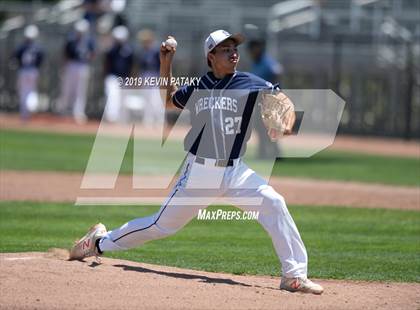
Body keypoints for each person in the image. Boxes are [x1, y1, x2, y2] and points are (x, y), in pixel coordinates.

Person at [70, 29, 323, 295]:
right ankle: (98, 242)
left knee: (274, 203)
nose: (234, 52)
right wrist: (165, 63)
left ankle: (294, 276)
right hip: (200, 174)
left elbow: (282, 100)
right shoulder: (200, 86)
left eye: (234, 48)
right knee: (160, 226)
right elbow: (168, 101)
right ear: (211, 56)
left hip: (236, 171)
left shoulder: (250, 82)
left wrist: (286, 122)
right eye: (226, 49)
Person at [247, 38, 284, 159]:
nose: (252, 52)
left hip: (269, 101)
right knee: (260, 127)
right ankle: (263, 152)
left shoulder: (267, 61)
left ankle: (276, 153)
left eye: (254, 49)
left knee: (270, 127)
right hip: (259, 101)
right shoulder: (255, 63)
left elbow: (278, 72)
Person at [56, 19, 95, 123]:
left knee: (81, 90)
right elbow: (66, 55)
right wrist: (64, 67)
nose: (80, 34)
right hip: (72, 65)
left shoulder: (89, 41)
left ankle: (78, 112)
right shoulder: (71, 40)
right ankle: (63, 109)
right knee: (67, 88)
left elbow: (92, 54)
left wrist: (88, 59)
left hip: (83, 65)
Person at [103, 25, 134, 123]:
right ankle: (111, 117)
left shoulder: (129, 51)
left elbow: (132, 66)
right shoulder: (111, 50)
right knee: (112, 95)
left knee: (123, 99)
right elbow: (106, 64)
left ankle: (122, 118)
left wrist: (132, 79)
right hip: (112, 76)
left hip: (124, 78)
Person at [13, 25, 44, 120]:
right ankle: (30, 107)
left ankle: (24, 114)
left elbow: (15, 58)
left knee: (24, 92)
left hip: (24, 71)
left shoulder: (22, 47)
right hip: (33, 71)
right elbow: (40, 61)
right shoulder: (38, 48)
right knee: (31, 91)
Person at [137, 29, 164, 128]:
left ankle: (160, 120)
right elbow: (141, 67)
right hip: (145, 75)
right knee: (146, 99)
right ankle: (148, 119)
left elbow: (162, 65)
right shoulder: (143, 52)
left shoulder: (156, 51)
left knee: (156, 99)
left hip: (155, 75)